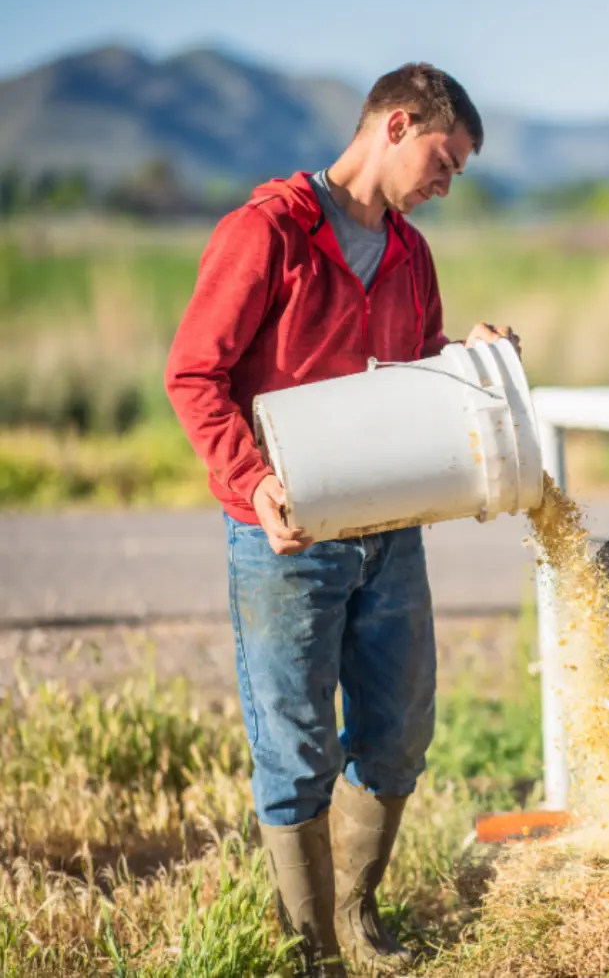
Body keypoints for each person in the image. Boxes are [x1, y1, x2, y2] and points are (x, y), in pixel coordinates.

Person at [164, 62, 517, 977]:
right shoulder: (266, 233)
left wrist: (468, 360)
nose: (449, 182)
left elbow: (416, 369)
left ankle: (356, 918)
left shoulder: (412, 254)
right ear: (396, 126)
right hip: (286, 536)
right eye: (446, 159)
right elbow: (194, 376)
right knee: (296, 743)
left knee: (398, 730)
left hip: (391, 532)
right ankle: (311, 946)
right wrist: (252, 483)